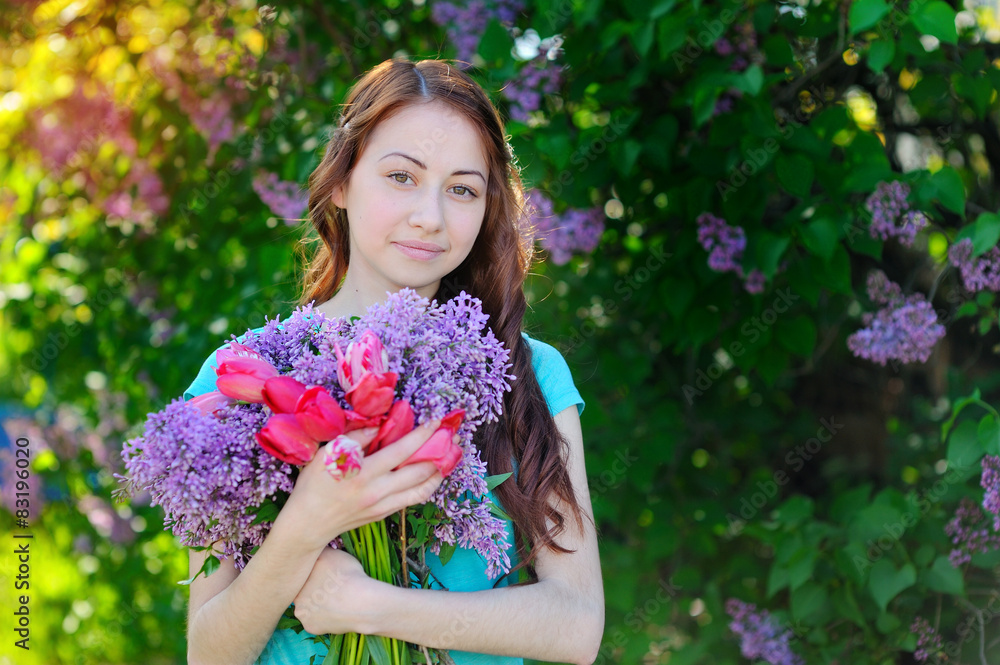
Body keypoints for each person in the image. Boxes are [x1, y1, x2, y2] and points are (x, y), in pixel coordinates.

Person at [184, 57, 604, 665]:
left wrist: (368, 605)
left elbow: (575, 625)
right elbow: (209, 655)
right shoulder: (242, 378)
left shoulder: (526, 373)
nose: (430, 217)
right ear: (340, 182)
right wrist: (305, 526)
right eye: (401, 177)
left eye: (462, 189)